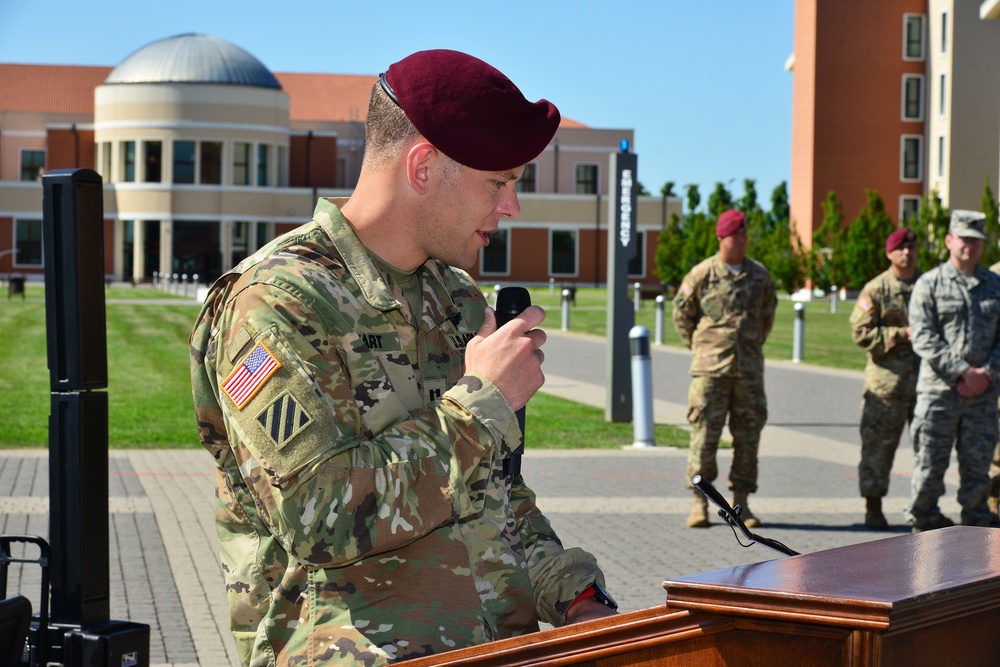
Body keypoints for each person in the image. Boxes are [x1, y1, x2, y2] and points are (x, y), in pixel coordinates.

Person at [189, 49, 617, 667]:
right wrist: (479, 406)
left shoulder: (457, 301)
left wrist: (574, 595)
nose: (511, 207)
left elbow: (496, 494)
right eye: (498, 182)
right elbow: (318, 514)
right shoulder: (276, 302)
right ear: (423, 167)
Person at [672, 209, 777, 528]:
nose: (742, 240)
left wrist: (750, 346)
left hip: (748, 373)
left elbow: (767, 317)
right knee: (704, 437)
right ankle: (699, 504)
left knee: (748, 438)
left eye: (745, 234)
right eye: (736, 235)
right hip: (710, 372)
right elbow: (682, 315)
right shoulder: (702, 274)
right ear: (721, 238)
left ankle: (741, 504)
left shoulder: (760, 276)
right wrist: (702, 348)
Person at [904, 210, 1000, 533]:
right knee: (929, 467)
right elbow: (924, 338)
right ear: (949, 241)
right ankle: (924, 527)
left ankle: (975, 532)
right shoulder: (928, 284)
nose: (969, 246)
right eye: (963, 239)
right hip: (939, 394)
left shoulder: (995, 286)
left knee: (978, 471)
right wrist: (963, 373)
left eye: (975, 241)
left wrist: (985, 374)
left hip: (983, 395)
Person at [849, 227, 920, 529]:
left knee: (928, 450)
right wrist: (900, 335)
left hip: (925, 385)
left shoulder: (928, 284)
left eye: (911, 247)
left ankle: (923, 507)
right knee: (877, 449)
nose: (907, 252)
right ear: (889, 253)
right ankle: (873, 506)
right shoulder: (876, 289)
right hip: (886, 386)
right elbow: (860, 332)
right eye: (900, 248)